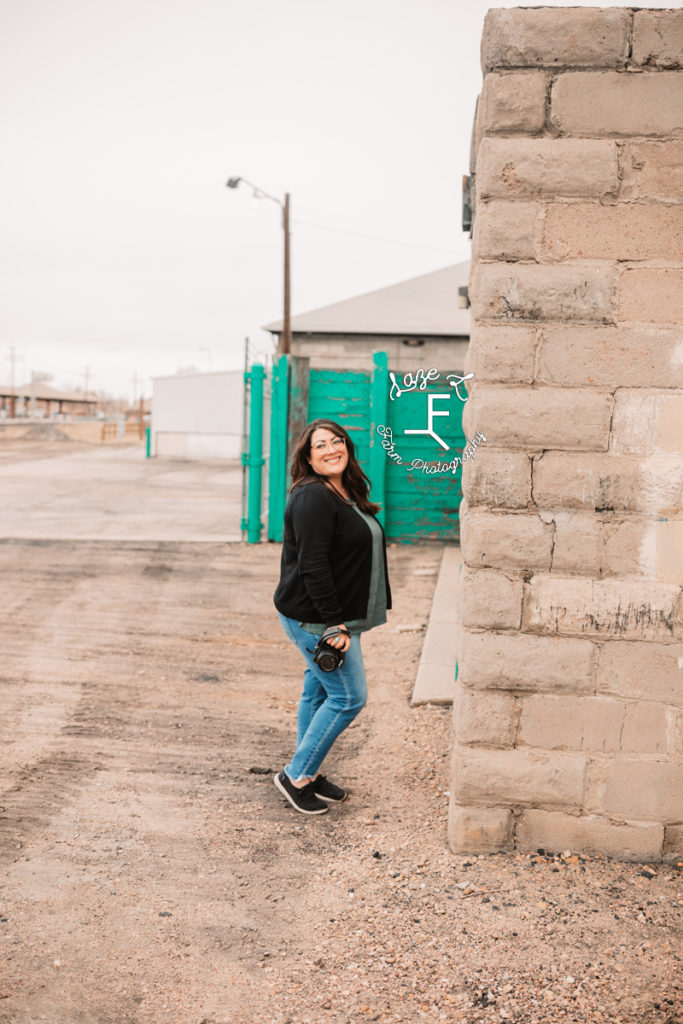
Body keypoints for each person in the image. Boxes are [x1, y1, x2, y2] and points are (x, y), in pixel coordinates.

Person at [273, 418, 392, 815]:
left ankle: (308, 767)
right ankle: (297, 776)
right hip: (316, 618)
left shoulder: (344, 491)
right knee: (347, 696)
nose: (330, 449)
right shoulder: (312, 498)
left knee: (319, 690)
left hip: (332, 615)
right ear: (308, 457)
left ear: (347, 446)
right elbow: (314, 565)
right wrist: (334, 624)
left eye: (336, 441)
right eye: (319, 445)